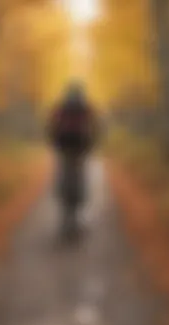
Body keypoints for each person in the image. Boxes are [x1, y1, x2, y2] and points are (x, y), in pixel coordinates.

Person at [48, 82, 98, 229]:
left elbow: (51, 125)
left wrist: (54, 144)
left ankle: (64, 203)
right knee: (80, 176)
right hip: (81, 147)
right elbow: (95, 126)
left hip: (64, 147)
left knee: (63, 174)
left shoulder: (61, 107)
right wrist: (91, 144)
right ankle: (79, 207)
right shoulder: (86, 107)